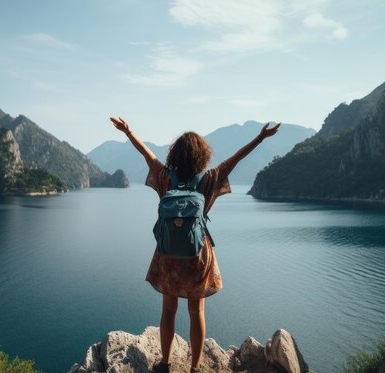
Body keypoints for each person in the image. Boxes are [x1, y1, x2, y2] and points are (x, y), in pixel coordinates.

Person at [109, 116, 281, 373]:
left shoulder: (165, 177)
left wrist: (128, 131)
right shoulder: (210, 179)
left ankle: (165, 364)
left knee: (168, 310)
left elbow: (146, 154)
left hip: (168, 254)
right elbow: (236, 159)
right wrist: (260, 137)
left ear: (174, 154)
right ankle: (195, 367)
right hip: (198, 255)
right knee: (196, 310)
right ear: (202, 156)